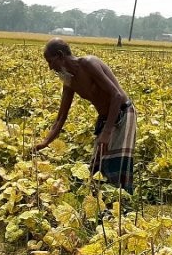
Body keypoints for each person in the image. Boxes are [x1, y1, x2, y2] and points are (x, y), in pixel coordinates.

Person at [32, 38, 136, 194]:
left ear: (60, 56)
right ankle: (103, 206)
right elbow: (61, 118)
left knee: (118, 163)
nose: (50, 67)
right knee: (98, 164)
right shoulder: (68, 80)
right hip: (105, 119)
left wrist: (107, 132)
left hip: (122, 113)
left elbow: (116, 95)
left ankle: (122, 207)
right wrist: (45, 142)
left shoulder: (88, 63)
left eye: (50, 61)